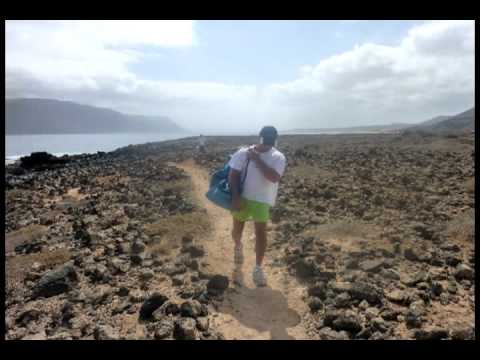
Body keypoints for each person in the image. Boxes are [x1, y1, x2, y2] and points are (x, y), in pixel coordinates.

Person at [228, 126, 286, 286]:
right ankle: (238, 246)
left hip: (262, 200)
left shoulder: (278, 157)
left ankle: (258, 268)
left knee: (261, 233)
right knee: (236, 229)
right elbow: (233, 175)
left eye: (270, 139)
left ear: (275, 139)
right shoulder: (242, 153)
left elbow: (274, 178)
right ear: (260, 137)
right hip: (243, 198)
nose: (267, 142)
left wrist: (257, 159)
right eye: (265, 138)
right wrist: (235, 197)